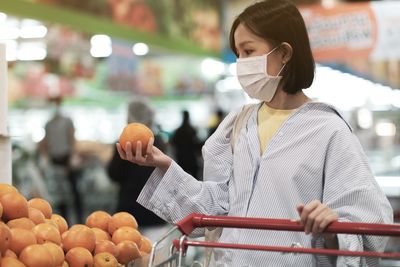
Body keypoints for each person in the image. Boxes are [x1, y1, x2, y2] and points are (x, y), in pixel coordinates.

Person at [116, 1, 393, 266]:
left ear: (284, 53)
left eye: (248, 51)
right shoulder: (238, 124)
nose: (241, 63)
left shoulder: (328, 130)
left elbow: (368, 223)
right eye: (238, 54)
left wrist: (332, 227)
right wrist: (163, 164)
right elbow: (216, 209)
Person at [107, 99, 167, 236]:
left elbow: (113, 174)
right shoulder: (159, 142)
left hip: (129, 211)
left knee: (130, 252)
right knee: (155, 255)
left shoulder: (124, 143)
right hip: (156, 211)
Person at [40, 96, 82, 224]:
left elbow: (72, 137)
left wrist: (73, 155)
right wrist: (45, 157)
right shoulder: (48, 124)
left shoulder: (67, 121)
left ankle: (79, 218)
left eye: (56, 103)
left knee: (74, 191)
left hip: (67, 159)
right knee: (59, 193)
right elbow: (46, 141)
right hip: (55, 161)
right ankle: (64, 220)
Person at [170, 110, 202, 179]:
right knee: (195, 179)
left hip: (181, 158)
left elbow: (173, 143)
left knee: (181, 180)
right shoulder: (192, 130)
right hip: (191, 158)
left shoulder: (178, 131)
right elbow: (196, 144)